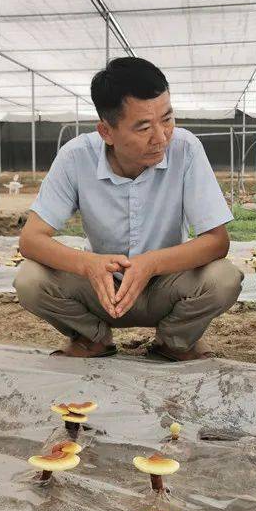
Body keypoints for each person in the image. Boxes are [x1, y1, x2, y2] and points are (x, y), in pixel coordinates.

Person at [14, 57, 243, 360]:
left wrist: (152, 263)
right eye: (144, 127)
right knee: (30, 281)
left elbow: (217, 241)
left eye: (167, 119)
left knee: (224, 279)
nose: (161, 137)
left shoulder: (185, 149)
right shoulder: (75, 157)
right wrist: (88, 265)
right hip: (103, 290)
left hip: (167, 286)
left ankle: (174, 341)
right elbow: (31, 240)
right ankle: (91, 337)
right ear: (106, 131)